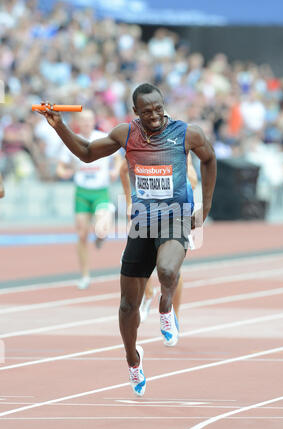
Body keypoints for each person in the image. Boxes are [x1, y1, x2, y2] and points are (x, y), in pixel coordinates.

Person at [37, 83, 216, 397]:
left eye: (158, 108)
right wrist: (59, 126)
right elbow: (87, 152)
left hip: (175, 217)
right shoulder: (126, 134)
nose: (155, 116)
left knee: (168, 271)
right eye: (147, 111)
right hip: (142, 224)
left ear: (164, 105)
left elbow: (209, 159)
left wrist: (207, 206)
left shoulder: (187, 133)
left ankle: (165, 307)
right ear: (136, 112)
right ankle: (133, 358)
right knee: (127, 305)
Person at [119, 153, 198, 323]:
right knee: (134, 260)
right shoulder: (139, 144)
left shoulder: (180, 145)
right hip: (146, 212)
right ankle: (148, 293)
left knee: (172, 269)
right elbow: (123, 170)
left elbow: (193, 181)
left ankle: (173, 315)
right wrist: (128, 202)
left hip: (174, 215)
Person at [56, 109, 122, 290]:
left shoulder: (102, 137)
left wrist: (115, 170)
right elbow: (60, 168)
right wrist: (65, 173)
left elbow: (117, 160)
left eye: (89, 120)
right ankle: (85, 275)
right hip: (82, 193)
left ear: (94, 121)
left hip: (100, 191)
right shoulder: (71, 140)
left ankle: (101, 236)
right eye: (83, 120)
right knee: (82, 235)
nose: (86, 123)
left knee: (101, 229)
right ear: (78, 122)